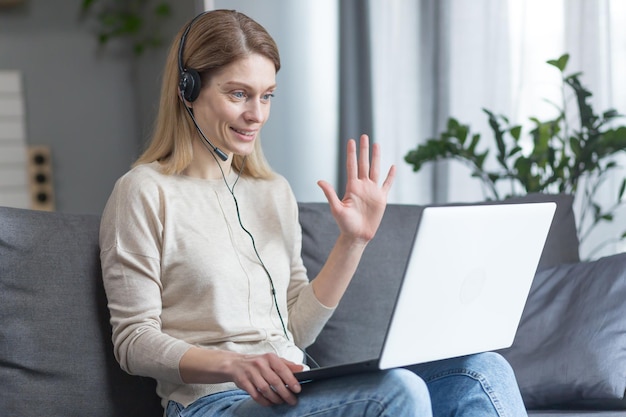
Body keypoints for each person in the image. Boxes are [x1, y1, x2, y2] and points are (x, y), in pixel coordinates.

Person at [99, 9, 528, 417]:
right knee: (400, 390)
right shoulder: (143, 192)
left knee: (483, 370)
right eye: (238, 94)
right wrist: (232, 365)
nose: (256, 114)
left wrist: (353, 242)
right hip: (211, 404)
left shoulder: (272, 192)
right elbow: (133, 342)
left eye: (267, 96)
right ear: (187, 90)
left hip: (294, 391)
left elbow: (295, 333)